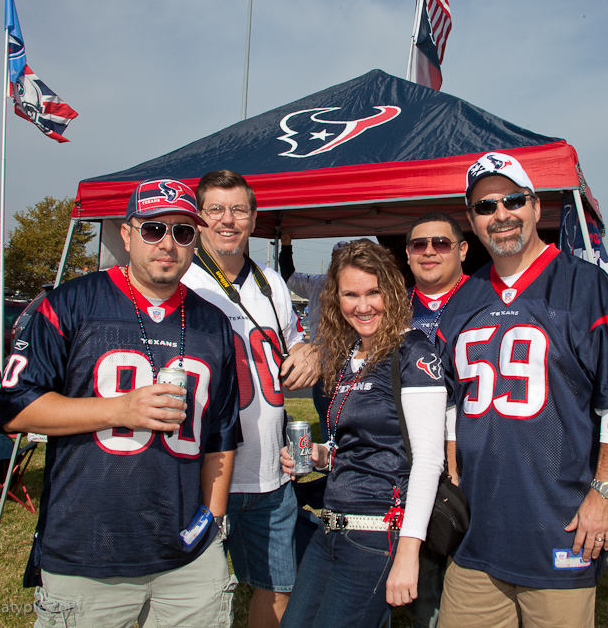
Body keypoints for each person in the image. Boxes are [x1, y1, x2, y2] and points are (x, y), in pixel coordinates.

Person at [0, 178, 239, 628]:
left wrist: (215, 519)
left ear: (197, 241)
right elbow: (16, 409)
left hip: (189, 553)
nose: (168, 244)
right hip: (86, 550)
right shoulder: (72, 302)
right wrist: (117, 410)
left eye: (183, 232)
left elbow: (222, 434)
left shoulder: (214, 323)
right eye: (153, 229)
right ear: (126, 234)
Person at [435, 152, 608, 628]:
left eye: (512, 200)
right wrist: (451, 461)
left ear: (535, 206)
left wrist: (606, 491)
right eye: (485, 207)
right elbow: (452, 396)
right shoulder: (463, 298)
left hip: (560, 523)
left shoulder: (587, 286)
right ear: (471, 220)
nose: (501, 215)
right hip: (478, 533)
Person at [278, 239, 447, 628]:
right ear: (335, 299)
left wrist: (408, 551)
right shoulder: (349, 356)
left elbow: (427, 460)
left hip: (378, 534)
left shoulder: (412, 352)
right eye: (350, 294)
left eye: (373, 293)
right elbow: (367, 445)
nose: (363, 305)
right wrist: (322, 455)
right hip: (331, 526)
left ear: (391, 291)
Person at [181, 169, 319, 628]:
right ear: (198, 218)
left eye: (238, 209)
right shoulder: (182, 280)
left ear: (254, 218)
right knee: (193, 600)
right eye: (216, 209)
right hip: (202, 475)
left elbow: (291, 348)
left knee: (278, 586)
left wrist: (310, 351)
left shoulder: (269, 284)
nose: (228, 220)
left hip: (270, 475)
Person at [403, 211, 469, 628]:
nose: (429, 252)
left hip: (473, 449)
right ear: (407, 254)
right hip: (410, 451)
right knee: (424, 556)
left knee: (469, 558)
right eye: (419, 245)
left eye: (441, 243)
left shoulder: (485, 298)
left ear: (462, 250)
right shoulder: (392, 306)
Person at [278, 233, 351, 437]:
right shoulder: (317, 282)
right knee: (326, 416)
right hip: (323, 363)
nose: (341, 261)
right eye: (338, 256)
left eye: (345, 256)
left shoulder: (359, 283)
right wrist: (286, 245)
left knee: (350, 417)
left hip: (351, 364)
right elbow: (289, 276)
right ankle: (330, 461)